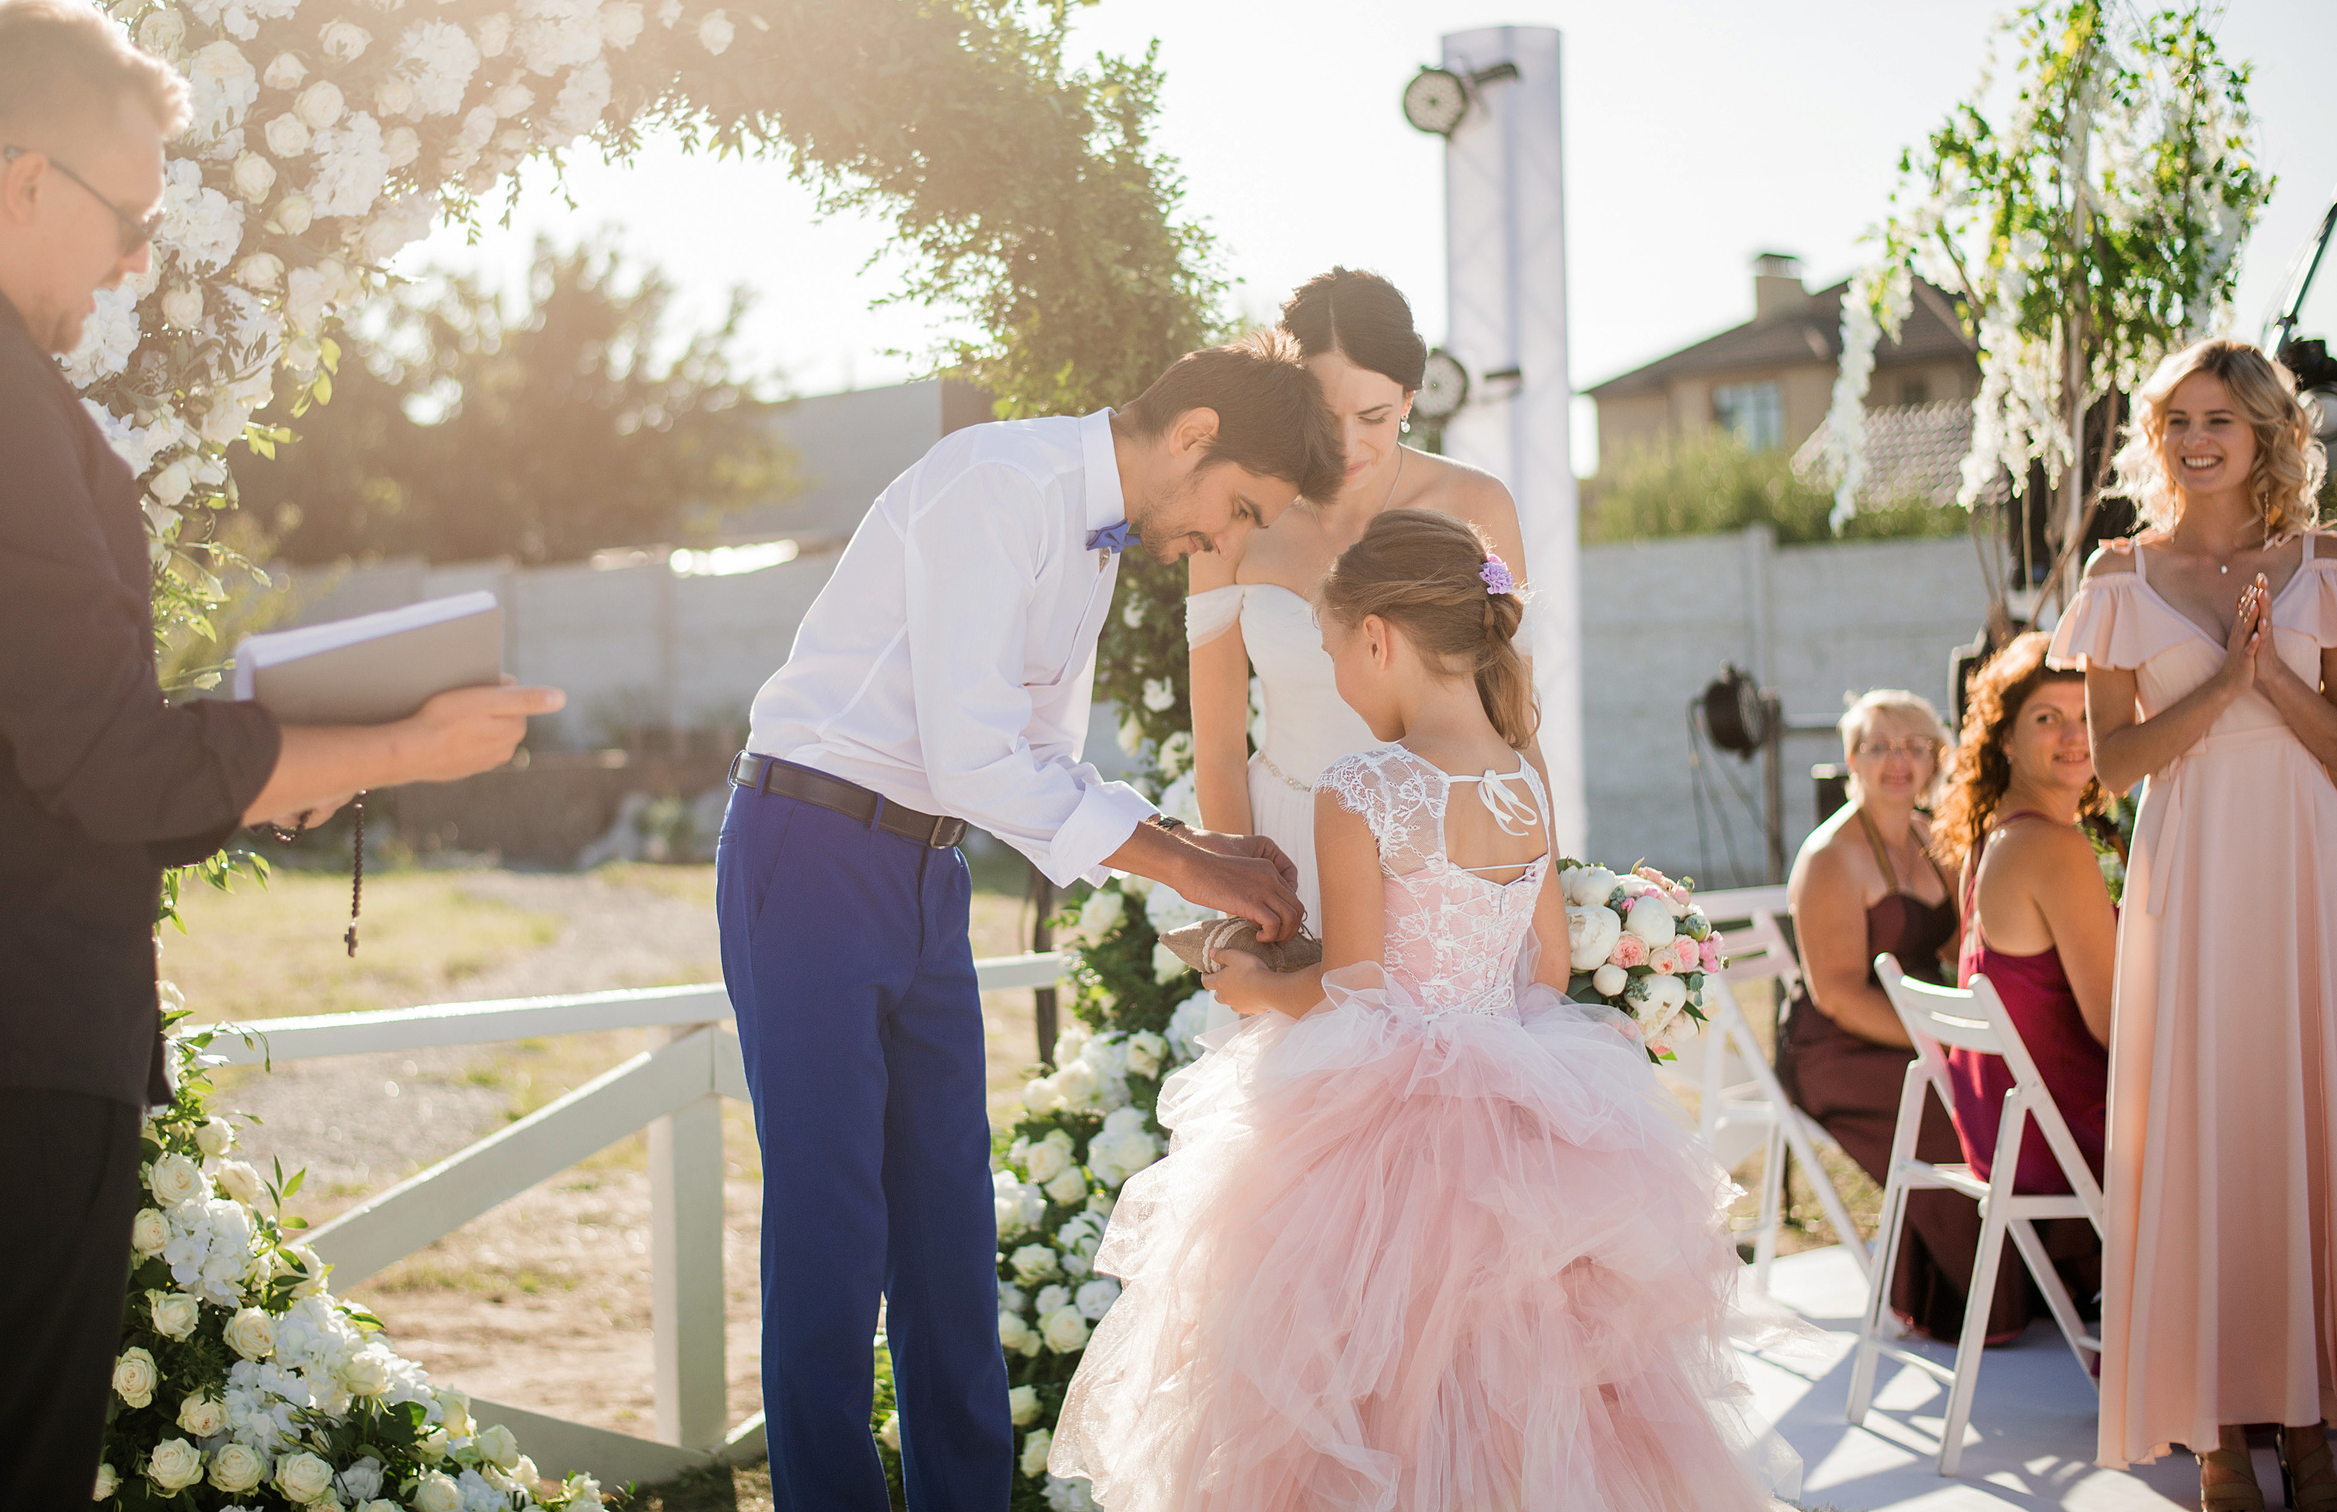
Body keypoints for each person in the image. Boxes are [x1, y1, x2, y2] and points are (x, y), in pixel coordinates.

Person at [0, 0, 561, 1512]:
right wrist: (401, 743)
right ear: (26, 179)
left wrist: (303, 756)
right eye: (130, 219)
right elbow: (103, 755)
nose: (138, 261)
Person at [1052, 508, 1787, 1510]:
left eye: (1331, 656)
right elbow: (1547, 968)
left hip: (1383, 1135)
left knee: (1370, 1373)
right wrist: (1478, 1025)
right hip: (1524, 1105)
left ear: (1377, 637)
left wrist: (1255, 982)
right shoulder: (1523, 778)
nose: (1339, 683)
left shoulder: (1365, 787)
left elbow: (1355, 992)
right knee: (1530, 1385)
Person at [721, 330, 1344, 1511]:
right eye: (1236, 508)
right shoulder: (997, 481)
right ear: (1195, 433)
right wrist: (1188, 864)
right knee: (832, 1226)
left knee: (950, 1220)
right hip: (809, 848)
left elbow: (1036, 762)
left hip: (926, 869)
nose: (1223, 542)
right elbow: (973, 756)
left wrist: (1190, 850)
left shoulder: (1095, 536)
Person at [2054, 338, 2337, 1506]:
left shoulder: (2324, 561)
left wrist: (2271, 678)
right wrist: (2222, 684)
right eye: (2175, 419)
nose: (2193, 439)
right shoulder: (2119, 573)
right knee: (2210, 1133)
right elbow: (2112, 767)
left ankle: (2311, 1424)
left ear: (2266, 428)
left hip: (2308, 871)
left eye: (2217, 417)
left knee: (2307, 1128)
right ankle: (2220, 1431)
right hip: (2192, 876)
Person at [1186, 267, 1526, 933]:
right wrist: (1245, 903)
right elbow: (1218, 750)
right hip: (1281, 850)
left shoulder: (1477, 505)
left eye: (1372, 417)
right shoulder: (1232, 511)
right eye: (1322, 415)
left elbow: (1512, 725)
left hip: (1443, 849)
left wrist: (1543, 893)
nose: (1344, 445)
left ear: (1408, 397)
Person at [1779, 689, 2015, 1336]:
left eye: (1914, 745)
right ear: (1853, 759)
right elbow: (1837, 994)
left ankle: (2049, 1278)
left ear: (1937, 758)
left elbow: (1957, 949)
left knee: (2010, 1087)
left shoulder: (1931, 837)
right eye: (1879, 746)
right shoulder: (1830, 856)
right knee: (1952, 1105)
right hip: (1835, 1048)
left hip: (1913, 1029)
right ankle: (1970, 1299)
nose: (1898, 760)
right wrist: (1942, 1046)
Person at [1928, 631, 2116, 1319]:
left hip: (2002, 1132)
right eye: (2047, 717)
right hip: (2064, 1136)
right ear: (2005, 737)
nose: (2074, 735)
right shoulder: (2052, 846)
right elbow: (2118, 1028)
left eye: (2086, 715)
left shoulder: (1993, 836)